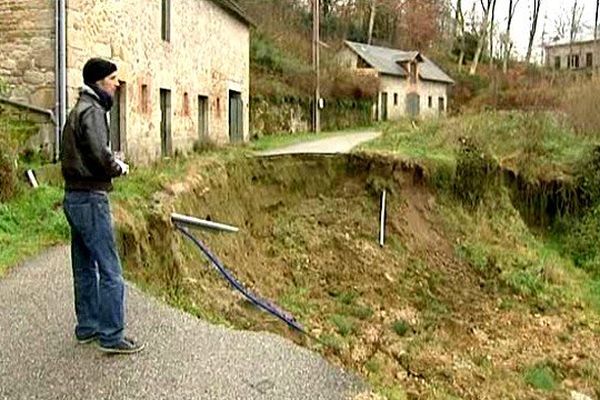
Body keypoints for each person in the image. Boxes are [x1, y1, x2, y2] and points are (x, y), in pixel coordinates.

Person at [61, 58, 144, 354]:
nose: (117, 84)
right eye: (113, 78)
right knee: (110, 270)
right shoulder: (94, 111)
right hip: (91, 199)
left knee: (84, 267)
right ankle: (111, 335)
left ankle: (87, 327)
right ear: (99, 82)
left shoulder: (76, 110)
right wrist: (118, 167)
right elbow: (98, 155)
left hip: (73, 197)